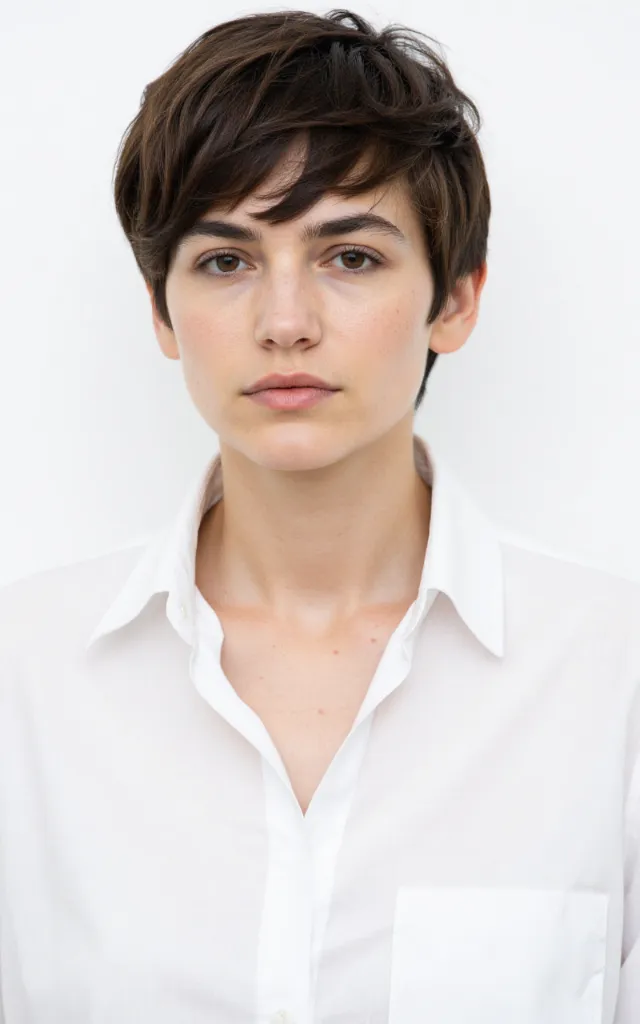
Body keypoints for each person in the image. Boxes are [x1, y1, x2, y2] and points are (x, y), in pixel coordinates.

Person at [0, 8, 638, 1023]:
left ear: (456, 301)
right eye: (225, 260)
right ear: (162, 314)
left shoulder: (612, 678)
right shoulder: (22, 679)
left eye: (350, 257)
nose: (285, 322)